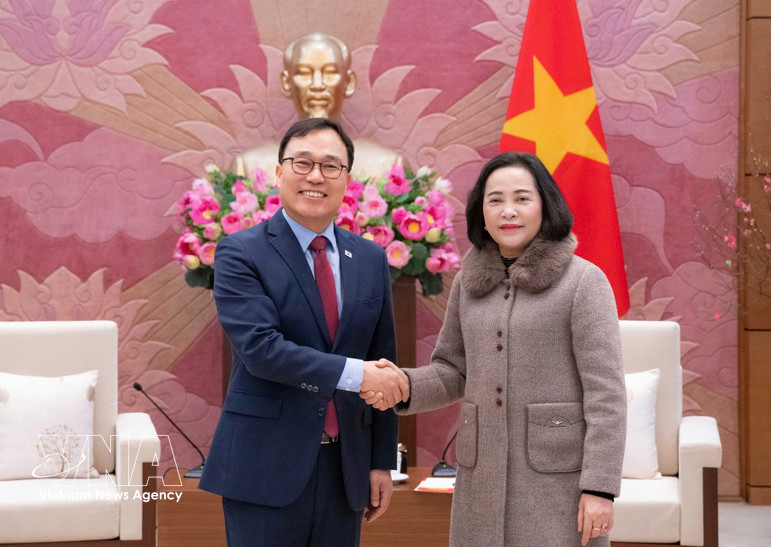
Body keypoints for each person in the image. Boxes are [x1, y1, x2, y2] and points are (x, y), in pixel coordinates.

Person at [365, 151, 627, 546]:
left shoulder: (583, 283)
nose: (509, 211)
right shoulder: (469, 284)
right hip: (480, 480)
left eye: (522, 198)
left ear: (545, 205)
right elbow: (452, 371)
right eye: (495, 200)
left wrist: (600, 489)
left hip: (558, 484)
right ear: (480, 213)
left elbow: (606, 396)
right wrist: (402, 383)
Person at [200, 117, 409, 546]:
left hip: (345, 468)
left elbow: (383, 357)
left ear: (347, 179)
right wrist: (359, 374)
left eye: (331, 166)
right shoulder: (241, 252)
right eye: (302, 163)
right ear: (279, 172)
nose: (316, 176)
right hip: (264, 466)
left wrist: (380, 461)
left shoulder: (369, 258)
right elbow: (262, 350)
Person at [235, 33, 403, 181]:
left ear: (349, 82)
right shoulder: (249, 166)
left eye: (329, 73)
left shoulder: (388, 166)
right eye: (304, 73)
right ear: (286, 83)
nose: (317, 85)